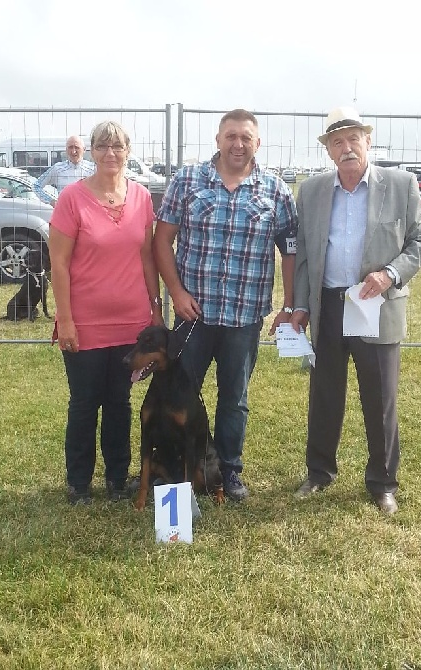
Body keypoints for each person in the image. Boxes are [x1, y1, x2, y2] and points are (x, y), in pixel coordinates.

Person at [291, 106, 421, 514]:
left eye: (354, 138)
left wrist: (390, 274)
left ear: (368, 142)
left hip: (375, 306)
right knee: (324, 395)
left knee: (381, 397)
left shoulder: (401, 184)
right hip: (329, 306)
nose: (347, 147)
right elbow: (303, 256)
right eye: (338, 141)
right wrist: (301, 305)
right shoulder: (313, 191)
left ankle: (383, 482)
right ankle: (319, 472)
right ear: (329, 152)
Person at [153, 108, 298, 501]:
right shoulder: (187, 181)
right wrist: (177, 293)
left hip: (244, 317)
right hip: (192, 316)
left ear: (257, 143)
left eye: (245, 137)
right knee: (177, 396)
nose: (238, 144)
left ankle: (228, 472)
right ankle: (169, 470)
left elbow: (289, 250)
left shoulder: (275, 190)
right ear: (217, 140)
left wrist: (289, 303)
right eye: (230, 136)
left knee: (234, 399)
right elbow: (160, 241)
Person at [49, 121, 163, 505]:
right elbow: (59, 265)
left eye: (117, 146)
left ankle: (117, 478)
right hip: (84, 323)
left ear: (128, 151)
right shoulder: (72, 198)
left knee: (119, 401)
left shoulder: (143, 197)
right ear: (91, 152)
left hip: (131, 323)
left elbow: (147, 256)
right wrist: (65, 319)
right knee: (84, 403)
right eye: (102, 146)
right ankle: (79, 483)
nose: (110, 153)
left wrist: (155, 307)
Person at [33, 135, 94, 205]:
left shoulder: (92, 169)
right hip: (65, 213)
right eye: (70, 147)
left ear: (84, 149)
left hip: (86, 214)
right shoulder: (58, 168)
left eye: (77, 148)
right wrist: (51, 201)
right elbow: (36, 186)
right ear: (66, 150)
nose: (73, 151)